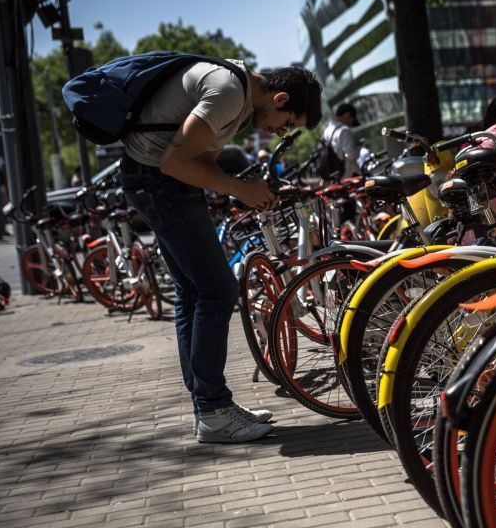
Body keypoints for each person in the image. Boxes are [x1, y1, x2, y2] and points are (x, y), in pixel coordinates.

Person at [119, 59, 322, 443]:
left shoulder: (240, 98)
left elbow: (200, 159)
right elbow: (176, 161)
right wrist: (240, 189)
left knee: (193, 291)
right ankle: (213, 410)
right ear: (280, 98)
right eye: (288, 123)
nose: (282, 133)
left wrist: (237, 188)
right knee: (218, 290)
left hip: (153, 180)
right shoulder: (229, 92)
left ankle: (209, 405)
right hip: (158, 181)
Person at [316, 102, 361, 180]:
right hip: (348, 175)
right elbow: (352, 155)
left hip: (334, 175)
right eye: (352, 119)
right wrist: (359, 148)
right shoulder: (344, 130)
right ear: (347, 115)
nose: (351, 124)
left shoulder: (327, 130)